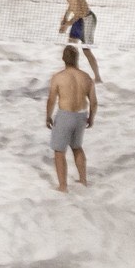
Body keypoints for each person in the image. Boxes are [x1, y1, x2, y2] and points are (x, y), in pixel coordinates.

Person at [44, 43, 98, 190]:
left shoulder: (58, 77)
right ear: (77, 58)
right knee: (77, 147)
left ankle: (62, 186)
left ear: (63, 59)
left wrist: (48, 116)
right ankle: (83, 180)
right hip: (81, 116)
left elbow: (51, 100)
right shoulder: (86, 78)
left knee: (59, 151)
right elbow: (93, 103)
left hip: (65, 116)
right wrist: (91, 118)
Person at [56, 0, 102, 82]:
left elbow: (80, 13)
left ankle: (98, 78)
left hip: (87, 19)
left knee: (86, 50)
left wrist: (66, 25)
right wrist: (65, 17)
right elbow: (72, 5)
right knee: (71, 48)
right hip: (78, 19)